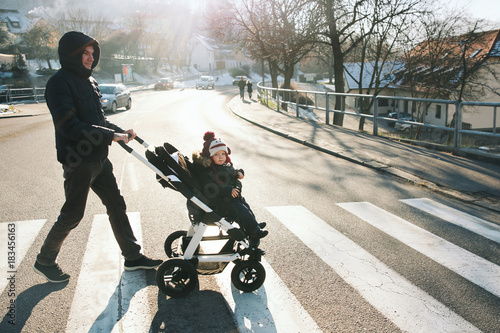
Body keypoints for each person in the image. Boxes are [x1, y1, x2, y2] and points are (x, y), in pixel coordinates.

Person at [34, 31, 162, 283]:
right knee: (72, 215)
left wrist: (119, 132)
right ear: (71, 54)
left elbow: (98, 120)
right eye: (85, 52)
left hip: (99, 159)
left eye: (93, 53)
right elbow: (69, 126)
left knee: (116, 204)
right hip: (78, 160)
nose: (91, 58)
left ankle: (133, 256)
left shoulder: (90, 81)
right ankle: (44, 260)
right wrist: (108, 136)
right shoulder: (58, 83)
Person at [192, 132, 268, 239]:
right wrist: (228, 190)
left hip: (225, 198)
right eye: (216, 154)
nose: (221, 157)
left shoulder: (221, 166)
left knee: (244, 205)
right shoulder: (208, 171)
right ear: (210, 156)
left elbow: (231, 173)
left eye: (223, 154)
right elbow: (210, 186)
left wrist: (239, 173)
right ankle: (254, 231)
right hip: (217, 202)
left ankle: (253, 224)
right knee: (240, 209)